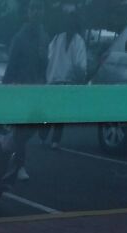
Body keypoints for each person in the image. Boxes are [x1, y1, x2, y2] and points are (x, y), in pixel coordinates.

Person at [3, 0, 48, 181]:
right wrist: (7, 89)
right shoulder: (20, 37)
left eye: (40, 8)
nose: (36, 12)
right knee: (21, 130)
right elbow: (11, 65)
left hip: (38, 89)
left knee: (31, 128)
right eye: (33, 8)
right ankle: (19, 165)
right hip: (21, 89)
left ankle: (12, 157)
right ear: (28, 12)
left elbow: (45, 64)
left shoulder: (44, 36)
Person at [43, 13, 87, 148]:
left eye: (72, 25)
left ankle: (55, 140)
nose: (70, 27)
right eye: (68, 24)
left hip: (67, 83)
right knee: (49, 112)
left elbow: (81, 65)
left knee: (60, 113)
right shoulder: (57, 39)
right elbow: (48, 57)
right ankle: (43, 134)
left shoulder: (79, 42)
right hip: (53, 81)